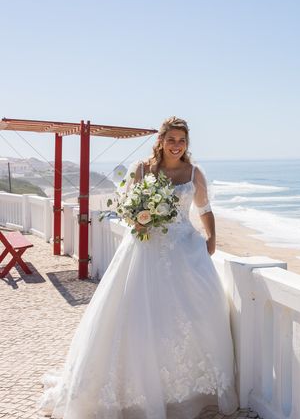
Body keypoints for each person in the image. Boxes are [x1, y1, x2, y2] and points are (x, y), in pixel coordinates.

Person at [39, 117, 238, 418]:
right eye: (171, 139)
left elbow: (204, 209)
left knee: (188, 316)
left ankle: (189, 390)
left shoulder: (195, 173)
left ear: (187, 143)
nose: (176, 145)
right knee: (136, 317)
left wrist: (211, 237)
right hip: (143, 249)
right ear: (160, 141)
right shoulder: (142, 169)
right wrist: (139, 218)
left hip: (184, 251)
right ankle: (132, 391)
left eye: (181, 140)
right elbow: (125, 204)